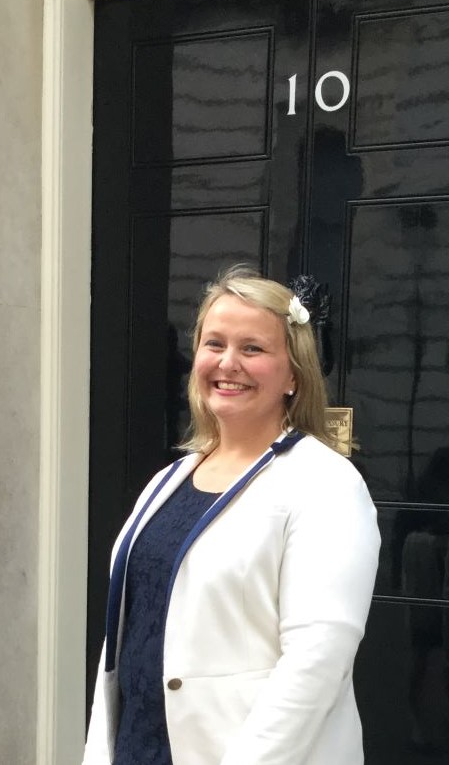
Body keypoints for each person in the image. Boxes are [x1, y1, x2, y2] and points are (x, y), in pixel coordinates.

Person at [82, 266, 381, 765]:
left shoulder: (325, 484)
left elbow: (318, 659)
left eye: (253, 349)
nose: (228, 362)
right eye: (214, 343)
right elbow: (134, 632)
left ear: (294, 375)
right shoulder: (169, 480)